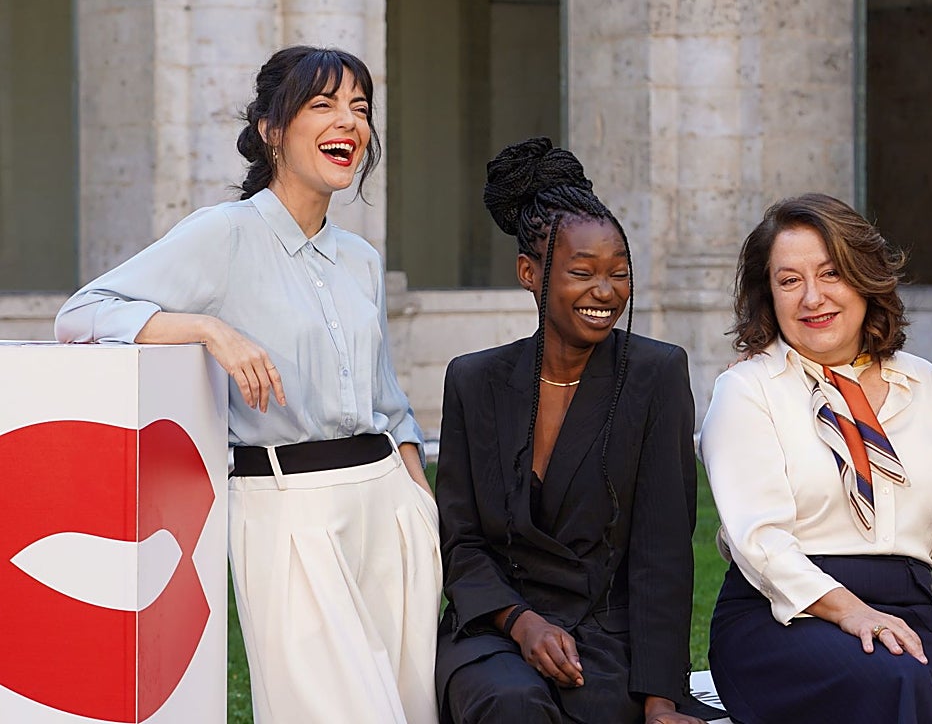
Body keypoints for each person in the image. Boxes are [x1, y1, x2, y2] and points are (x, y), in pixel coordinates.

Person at [55, 46, 440, 724]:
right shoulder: (222, 235)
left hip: (391, 510)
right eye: (323, 105)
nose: (348, 122)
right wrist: (206, 328)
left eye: (359, 108)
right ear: (270, 130)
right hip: (285, 510)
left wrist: (420, 504)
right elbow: (83, 314)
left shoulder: (361, 258)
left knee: (411, 712)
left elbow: (388, 400)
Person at [700, 194, 932, 724]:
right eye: (789, 281)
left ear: (864, 278)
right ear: (769, 296)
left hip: (907, 617)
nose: (812, 298)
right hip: (782, 618)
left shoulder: (925, 386)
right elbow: (759, 543)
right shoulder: (747, 389)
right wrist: (852, 612)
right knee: (898, 682)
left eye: (831, 273)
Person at [434, 138, 712, 724]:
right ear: (529, 274)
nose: (605, 292)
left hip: (607, 637)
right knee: (510, 703)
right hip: (496, 629)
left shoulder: (656, 375)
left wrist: (661, 701)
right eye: (582, 273)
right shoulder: (473, 381)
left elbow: (663, 551)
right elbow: (460, 541)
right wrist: (520, 621)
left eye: (619, 273)